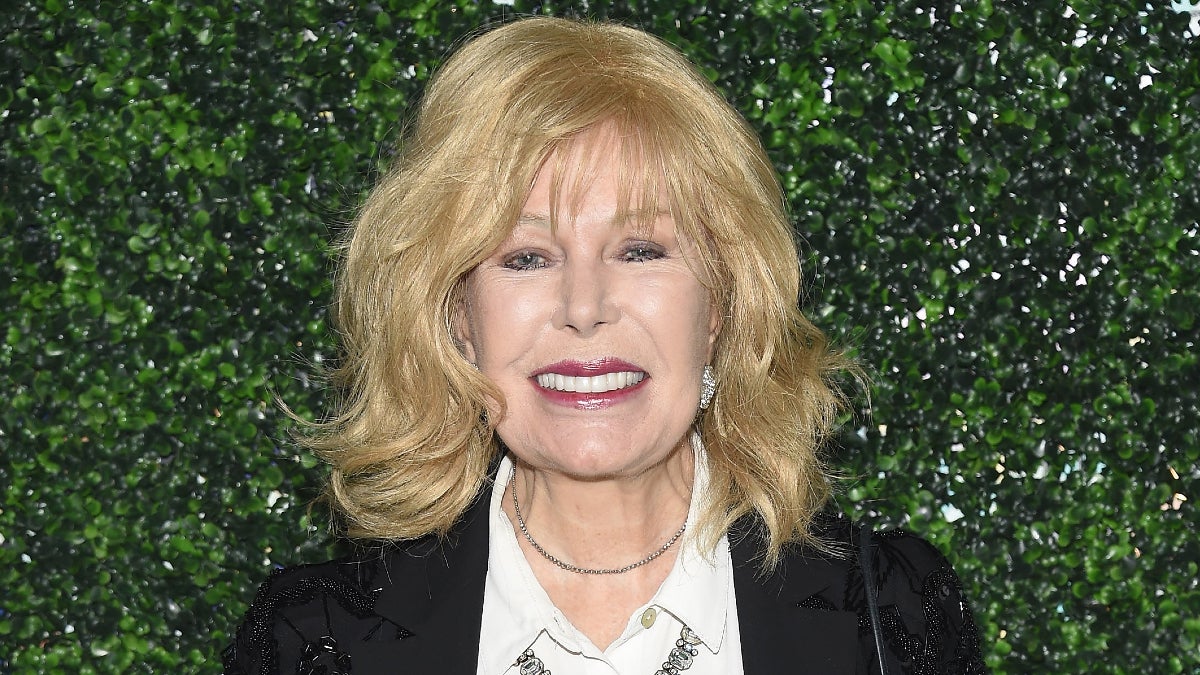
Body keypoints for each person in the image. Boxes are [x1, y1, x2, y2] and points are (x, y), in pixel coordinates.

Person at [223, 16, 985, 675]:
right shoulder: (312, 642)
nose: (584, 308)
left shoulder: (889, 619)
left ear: (720, 305)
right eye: (527, 257)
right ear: (458, 315)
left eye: (640, 250)